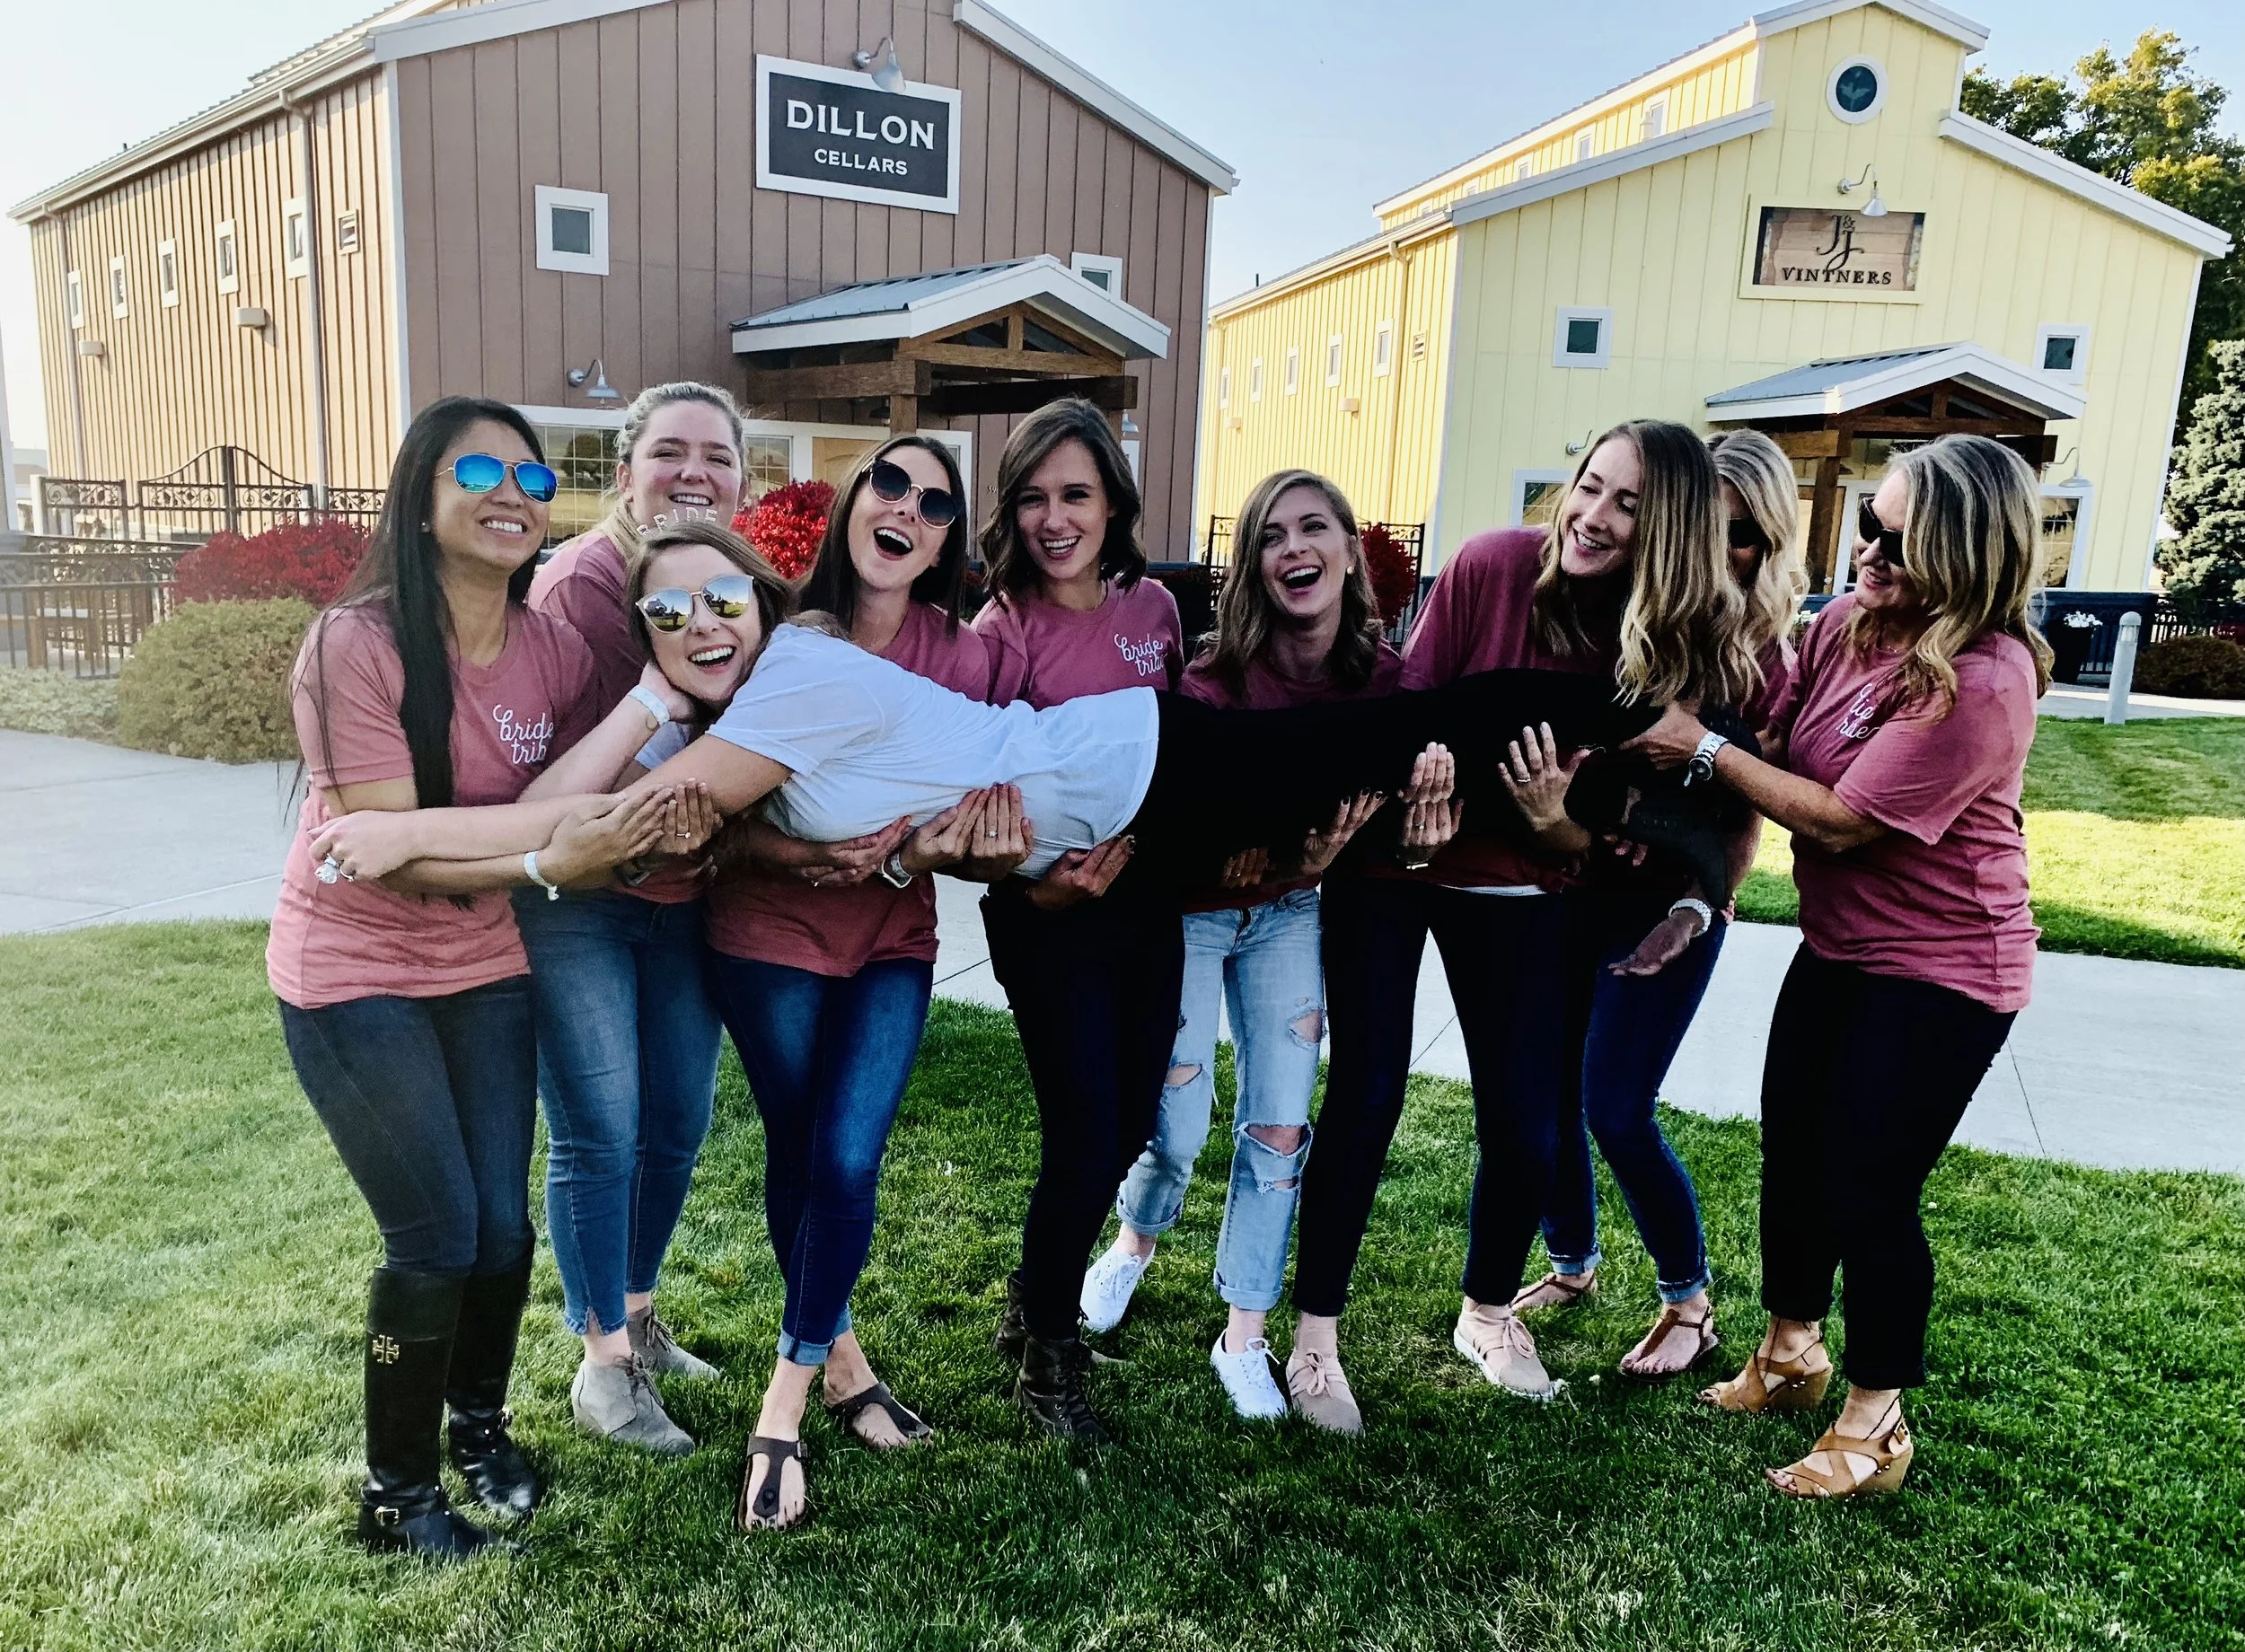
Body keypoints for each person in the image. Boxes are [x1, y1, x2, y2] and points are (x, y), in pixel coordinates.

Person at [269, 397, 704, 1560]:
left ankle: (479, 1429)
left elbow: (557, 796)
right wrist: (533, 853)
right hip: (352, 974)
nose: (512, 490)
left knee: (507, 1235)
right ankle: (396, 1497)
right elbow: (391, 847)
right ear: (420, 498)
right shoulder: (354, 645)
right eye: (477, 469)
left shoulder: (553, 647)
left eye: (530, 472)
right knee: (437, 1239)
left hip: (485, 963)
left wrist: (639, 732)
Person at [1288, 418, 1765, 1426]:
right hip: (1393, 863)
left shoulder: (1666, 653)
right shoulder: (1492, 564)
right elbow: (1410, 710)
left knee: (1525, 1118)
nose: (1591, 514)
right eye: (1587, 485)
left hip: (1514, 880)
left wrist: (1553, 823)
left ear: (1669, 528)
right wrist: (1418, 784)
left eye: (1626, 503)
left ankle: (1487, 1311)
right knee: (1367, 1091)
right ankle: (1314, 1338)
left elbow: (1601, 845)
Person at [1626, 433, 2050, 1498]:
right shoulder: (1841, 629)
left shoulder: (1984, 680)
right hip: (1842, 949)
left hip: (1946, 972)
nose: (1866, 548)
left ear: (1959, 551)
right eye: (1867, 521)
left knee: (1869, 1186)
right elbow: (1762, 728)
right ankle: (1788, 1351)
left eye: (1896, 538)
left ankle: (1875, 1426)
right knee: (1793, 1155)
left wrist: (1707, 752)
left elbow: (1847, 819)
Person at [1076, 469, 1459, 1421]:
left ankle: (1242, 1332)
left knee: (1281, 1125)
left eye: (1312, 528)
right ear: (1249, 565)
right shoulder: (1213, 681)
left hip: (1290, 914)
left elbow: (1389, 829)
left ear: (1345, 549)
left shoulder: (1383, 680)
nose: (1294, 548)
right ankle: (1134, 1241)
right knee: (1176, 1122)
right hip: (1196, 910)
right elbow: (1173, 832)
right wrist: (1274, 852)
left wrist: (1406, 830)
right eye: (1271, 536)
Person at [698, 440, 1026, 1530]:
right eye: (890, 484)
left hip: (893, 934)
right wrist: (805, 861)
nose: (908, 510)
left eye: (936, 504)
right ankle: (841, 1364)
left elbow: (971, 820)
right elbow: (713, 818)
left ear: (943, 542)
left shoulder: (963, 658)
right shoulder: (777, 630)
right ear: (853, 503)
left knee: (845, 1154)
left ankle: (782, 1408)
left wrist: (930, 854)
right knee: (802, 1153)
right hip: (768, 932)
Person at [1501, 428, 1804, 1381]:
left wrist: (1698, 905)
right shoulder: (1630, 616)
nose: (1722, 553)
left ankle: (1689, 1302)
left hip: (1674, 908)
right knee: (1547, 1088)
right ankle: (1570, 1263)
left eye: (1744, 536)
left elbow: (1746, 825)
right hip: (1581, 886)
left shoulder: (1767, 663)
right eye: (1704, 529)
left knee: (1616, 1107)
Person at [515, 382, 753, 1457]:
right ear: (625, 471)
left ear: (742, 482)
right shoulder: (579, 587)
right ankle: (602, 1361)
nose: (692, 471)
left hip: (687, 903)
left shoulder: (732, 588)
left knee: (677, 1124)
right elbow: (537, 775)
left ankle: (641, 1313)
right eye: (669, 452)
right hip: (583, 907)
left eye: (717, 455)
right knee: (601, 1130)